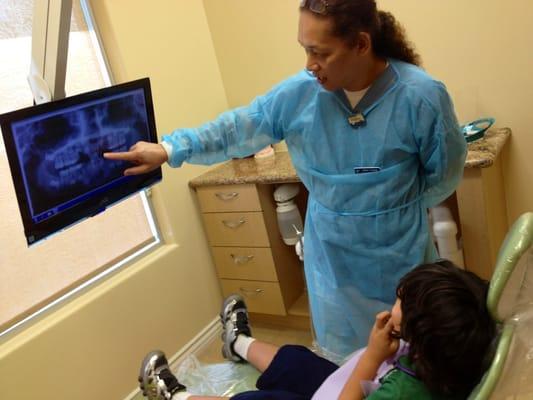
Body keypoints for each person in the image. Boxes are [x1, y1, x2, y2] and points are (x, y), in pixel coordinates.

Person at [104, 0, 467, 359]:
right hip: (333, 263)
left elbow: (444, 175)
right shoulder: (299, 94)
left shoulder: (422, 96)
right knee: (343, 366)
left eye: (319, 52)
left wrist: (388, 210)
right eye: (305, 50)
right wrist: (169, 149)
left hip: (400, 258)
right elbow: (239, 128)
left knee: (409, 358)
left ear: (360, 43)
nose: (310, 65)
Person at [138, 260, 496, 400]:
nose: (393, 304)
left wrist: (372, 355)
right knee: (296, 361)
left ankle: (174, 396)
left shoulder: (403, 393)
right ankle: (237, 343)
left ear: (420, 335)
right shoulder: (455, 343)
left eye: (402, 302)